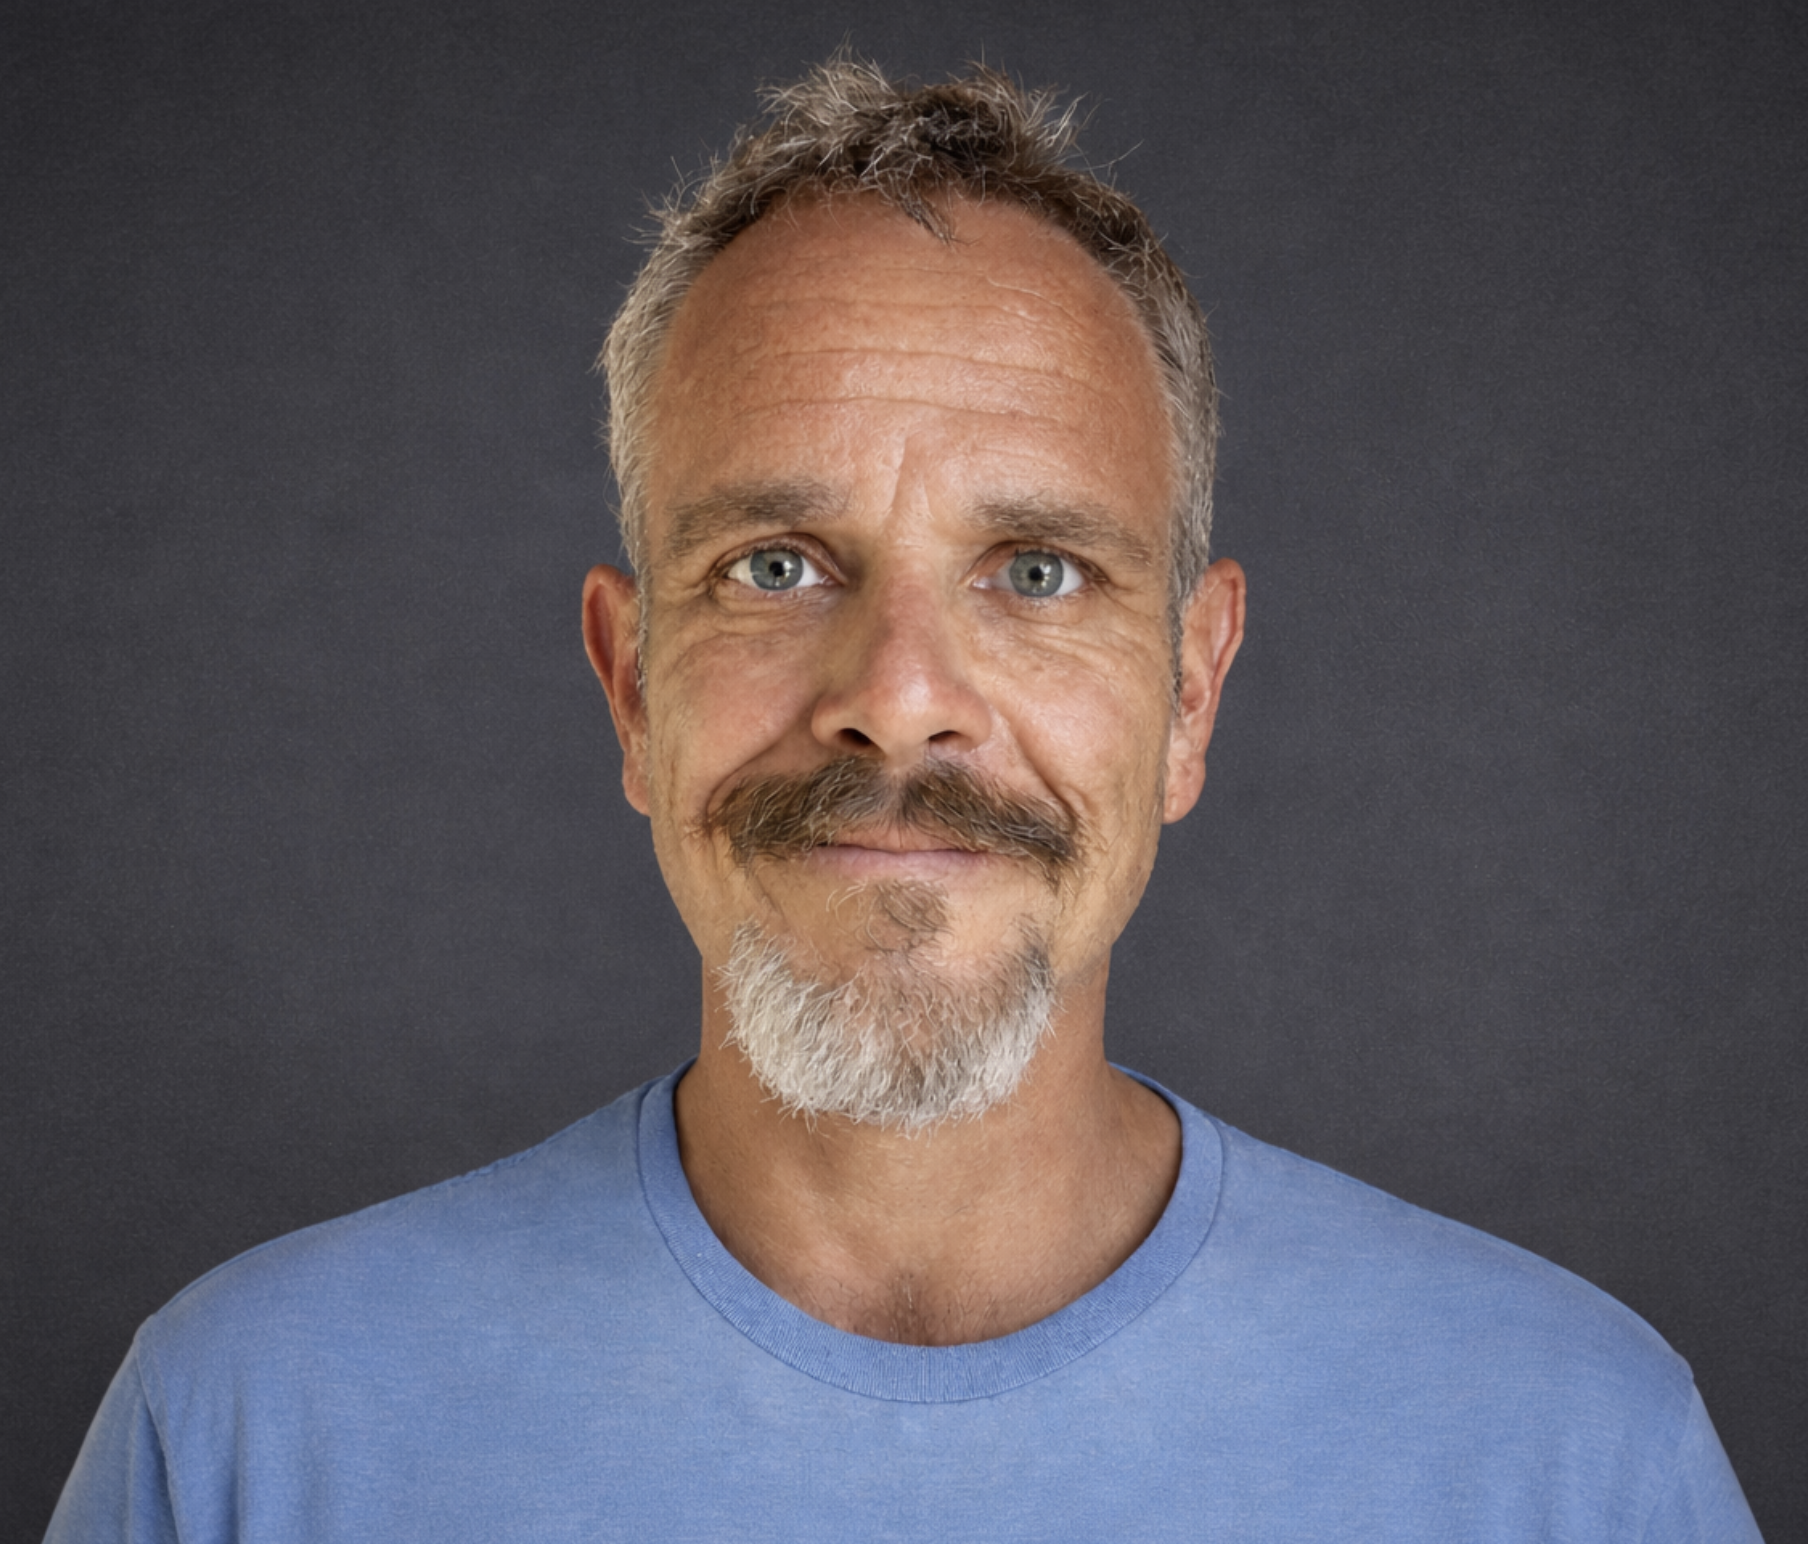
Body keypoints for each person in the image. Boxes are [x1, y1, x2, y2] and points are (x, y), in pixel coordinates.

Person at [48, 55, 1760, 1542]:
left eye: (1037, 571)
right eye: (776, 564)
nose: (899, 697)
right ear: (632, 685)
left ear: (1191, 690)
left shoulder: (1574, 1456)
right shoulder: (248, 1438)